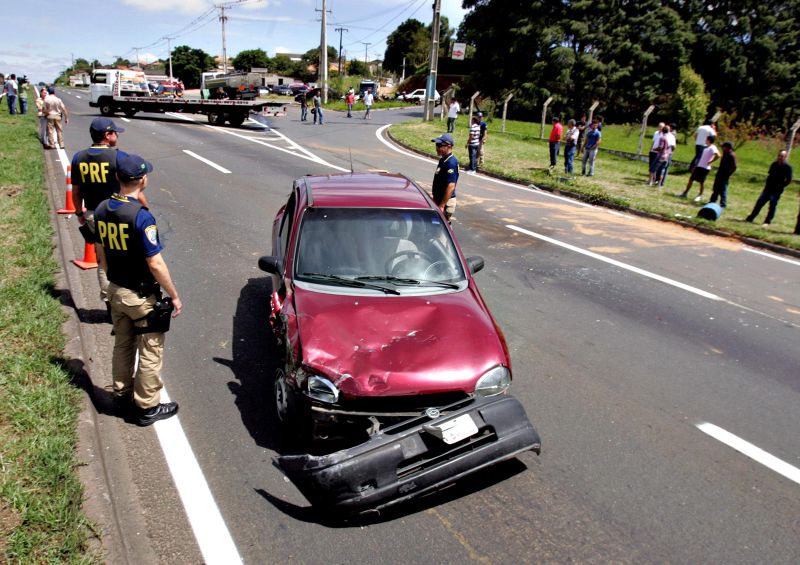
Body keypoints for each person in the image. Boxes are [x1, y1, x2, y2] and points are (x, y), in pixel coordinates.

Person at [94, 153, 182, 426]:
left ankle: (121, 394)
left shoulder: (101, 208)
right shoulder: (141, 217)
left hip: (116, 289)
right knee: (150, 349)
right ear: (142, 179)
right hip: (140, 296)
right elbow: (155, 263)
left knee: (122, 343)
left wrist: (111, 279)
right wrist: (175, 295)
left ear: (119, 178)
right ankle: (147, 407)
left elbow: (100, 252)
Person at [72, 117, 149, 309]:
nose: (117, 136)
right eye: (115, 133)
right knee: (130, 256)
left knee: (103, 260)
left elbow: (76, 191)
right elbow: (132, 189)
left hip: (93, 215)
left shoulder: (78, 157)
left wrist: (79, 214)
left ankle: (110, 302)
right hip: (121, 213)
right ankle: (130, 301)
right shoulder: (118, 157)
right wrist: (145, 209)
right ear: (107, 135)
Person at [745, 150, 793, 226]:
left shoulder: (788, 167)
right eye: (779, 156)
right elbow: (770, 175)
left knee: (772, 205)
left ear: (785, 157)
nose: (780, 157)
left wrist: (781, 186)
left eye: (782, 156)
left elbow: (789, 180)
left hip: (776, 190)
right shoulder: (774, 164)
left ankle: (767, 221)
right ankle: (750, 218)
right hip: (768, 188)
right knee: (759, 203)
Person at [681, 135, 719, 202]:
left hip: (705, 168)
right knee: (691, 179)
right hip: (699, 166)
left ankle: (700, 195)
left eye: (706, 139)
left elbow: (718, 155)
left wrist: (711, 161)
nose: (705, 140)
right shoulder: (706, 147)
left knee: (701, 182)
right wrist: (696, 165)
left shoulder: (713, 147)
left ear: (709, 140)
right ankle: (685, 193)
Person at [431, 133, 459, 221]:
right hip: (439, 200)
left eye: (439, 145)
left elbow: (451, 186)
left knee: (442, 229)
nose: (437, 148)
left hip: (445, 203)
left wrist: (442, 205)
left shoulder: (451, 163)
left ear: (449, 146)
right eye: (436, 145)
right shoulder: (444, 159)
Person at [708, 142, 737, 208]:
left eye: (723, 147)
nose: (722, 148)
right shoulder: (725, 153)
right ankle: (712, 200)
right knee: (716, 188)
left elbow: (734, 167)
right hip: (720, 173)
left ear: (727, 147)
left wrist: (729, 174)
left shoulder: (731, 155)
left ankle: (723, 204)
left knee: (723, 189)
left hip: (725, 175)